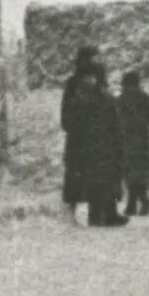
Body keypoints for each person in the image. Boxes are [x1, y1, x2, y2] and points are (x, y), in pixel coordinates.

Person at [60, 48, 126, 227]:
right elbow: (115, 124)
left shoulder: (74, 92)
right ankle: (105, 214)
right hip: (100, 144)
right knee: (104, 176)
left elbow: (65, 120)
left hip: (80, 143)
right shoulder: (106, 98)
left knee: (83, 178)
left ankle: (91, 215)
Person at [117, 68, 149, 218]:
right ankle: (139, 200)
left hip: (125, 140)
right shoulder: (146, 99)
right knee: (142, 171)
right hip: (142, 141)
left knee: (128, 171)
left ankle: (135, 202)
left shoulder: (120, 100)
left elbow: (115, 121)